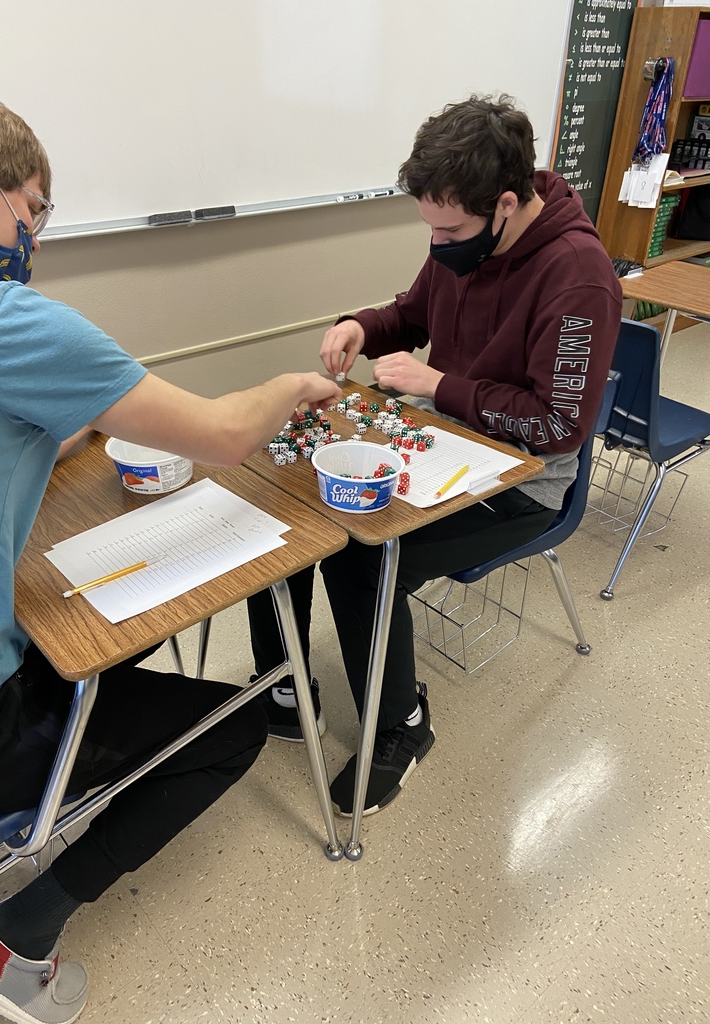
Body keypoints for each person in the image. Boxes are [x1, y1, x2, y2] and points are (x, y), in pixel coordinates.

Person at [0, 82, 341, 1024]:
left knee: (109, 640)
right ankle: (3, 940)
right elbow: (224, 434)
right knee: (229, 726)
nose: (33, 236)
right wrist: (291, 381)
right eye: (33, 210)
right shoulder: (5, 324)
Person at [248, 94, 621, 818]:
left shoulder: (579, 277)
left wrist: (441, 384)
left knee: (362, 559)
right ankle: (283, 689)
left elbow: (559, 429)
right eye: (430, 224)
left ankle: (403, 728)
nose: (437, 239)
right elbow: (413, 315)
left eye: (448, 228)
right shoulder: (465, 237)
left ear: (506, 204)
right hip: (441, 438)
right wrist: (361, 325)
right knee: (284, 495)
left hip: (525, 479)